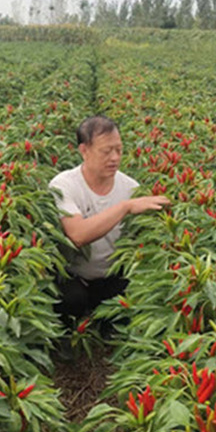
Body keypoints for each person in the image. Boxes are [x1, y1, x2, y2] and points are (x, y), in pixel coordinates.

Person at [49, 115, 171, 325]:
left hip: (112, 277)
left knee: (126, 305)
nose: (114, 157)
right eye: (106, 151)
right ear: (84, 151)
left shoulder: (130, 187)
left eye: (119, 150)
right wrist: (125, 207)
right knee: (70, 300)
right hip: (74, 278)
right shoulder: (63, 185)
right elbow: (78, 235)